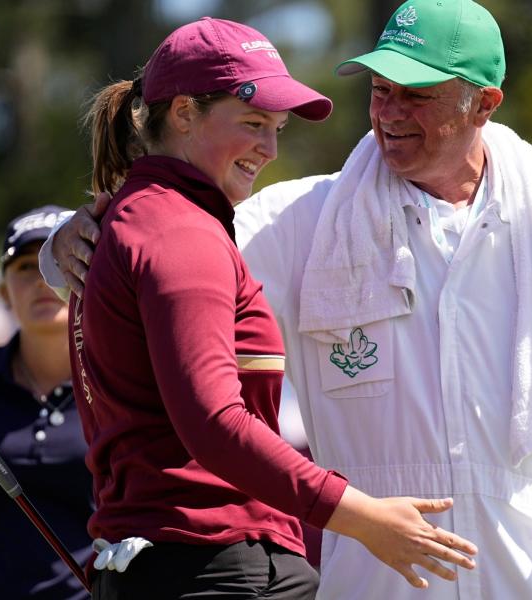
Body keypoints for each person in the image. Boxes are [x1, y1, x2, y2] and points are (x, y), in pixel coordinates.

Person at [43, 2, 532, 598]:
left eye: (415, 92)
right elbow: (150, 262)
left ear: (484, 103)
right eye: (379, 88)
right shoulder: (301, 222)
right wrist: (66, 245)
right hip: (374, 583)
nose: (387, 110)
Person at [50, 17, 476, 600]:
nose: (270, 149)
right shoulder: (179, 231)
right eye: (253, 124)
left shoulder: (135, 220)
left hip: (168, 565)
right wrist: (364, 519)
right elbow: (216, 424)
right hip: (220, 568)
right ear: (182, 114)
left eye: (276, 129)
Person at [0, 206, 93, 599]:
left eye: (54, 264)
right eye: (24, 269)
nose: (41, 282)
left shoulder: (118, 384)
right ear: (2, 292)